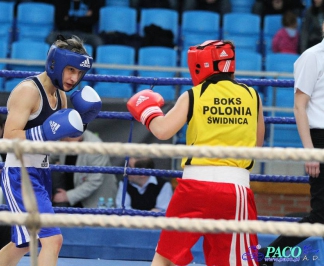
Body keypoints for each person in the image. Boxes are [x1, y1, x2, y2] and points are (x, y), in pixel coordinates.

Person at [126, 40, 265, 265]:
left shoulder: (194, 95)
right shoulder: (253, 97)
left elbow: (162, 131)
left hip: (194, 187)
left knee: (165, 257)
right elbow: (256, 145)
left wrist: (148, 111)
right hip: (234, 190)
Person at [0, 35, 102, 266]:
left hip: (41, 172)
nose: (74, 78)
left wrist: (81, 122)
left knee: (24, 242)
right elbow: (9, 135)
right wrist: (44, 132)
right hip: (19, 173)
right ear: (56, 64)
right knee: (53, 239)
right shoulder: (28, 91)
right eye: (70, 70)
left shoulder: (60, 95)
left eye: (79, 73)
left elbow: (58, 135)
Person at [258, 22, 324, 266]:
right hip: (319, 139)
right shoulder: (312, 57)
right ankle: (265, 257)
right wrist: (310, 151)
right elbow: (299, 106)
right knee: (320, 216)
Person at [51, 130, 117, 208]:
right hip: (73, 195)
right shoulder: (66, 138)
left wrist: (68, 196)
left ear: (78, 138)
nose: (63, 144)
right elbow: (52, 156)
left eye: (67, 142)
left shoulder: (95, 148)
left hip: (96, 201)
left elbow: (93, 181)